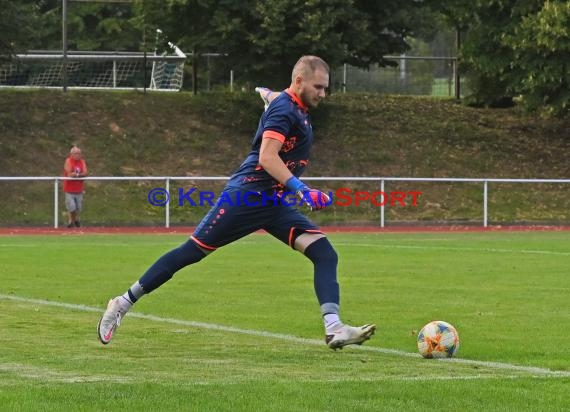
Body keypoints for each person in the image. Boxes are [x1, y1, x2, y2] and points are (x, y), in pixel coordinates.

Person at [97, 55, 375, 350]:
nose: (323, 93)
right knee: (190, 253)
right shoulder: (285, 109)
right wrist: (302, 190)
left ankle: (334, 328)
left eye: (325, 88)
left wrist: (267, 95)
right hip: (246, 198)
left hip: (272, 203)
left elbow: (276, 100)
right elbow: (268, 157)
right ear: (299, 81)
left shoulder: (295, 107)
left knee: (324, 253)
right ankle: (122, 303)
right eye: (318, 87)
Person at [63, 145, 88, 228]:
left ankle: (75, 220)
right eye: (76, 153)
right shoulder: (68, 161)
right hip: (69, 189)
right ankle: (72, 221)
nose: (78, 155)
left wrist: (77, 175)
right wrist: (77, 175)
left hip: (79, 189)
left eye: (79, 153)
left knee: (78, 208)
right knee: (72, 207)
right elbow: (69, 173)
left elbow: (85, 173)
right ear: (72, 154)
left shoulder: (82, 161)